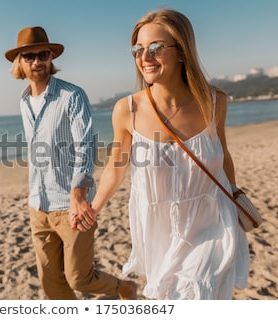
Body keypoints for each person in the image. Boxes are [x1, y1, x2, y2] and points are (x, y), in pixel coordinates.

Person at [89, 9, 250, 299]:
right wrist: (94, 207)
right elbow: (116, 165)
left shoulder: (215, 102)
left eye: (156, 48)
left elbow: (223, 155)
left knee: (194, 292)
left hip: (212, 220)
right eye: (138, 49)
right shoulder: (127, 110)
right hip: (159, 228)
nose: (145, 57)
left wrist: (235, 197)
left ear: (182, 51)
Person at [5, 26, 137, 299]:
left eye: (43, 55)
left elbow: (86, 147)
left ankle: (125, 287)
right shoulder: (24, 101)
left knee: (80, 278)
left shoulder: (72, 96)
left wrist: (78, 194)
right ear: (20, 62)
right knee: (51, 284)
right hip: (38, 205)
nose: (37, 62)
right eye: (29, 56)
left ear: (51, 57)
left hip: (71, 206)